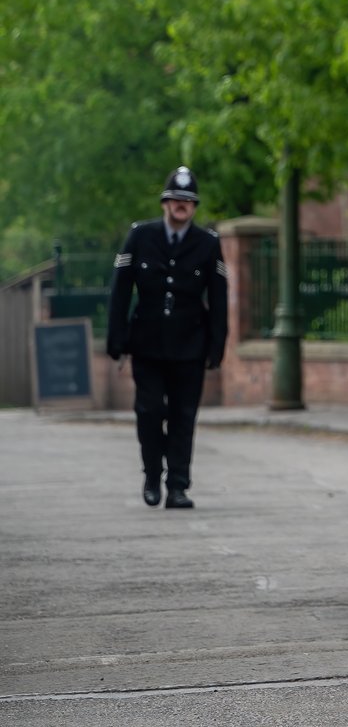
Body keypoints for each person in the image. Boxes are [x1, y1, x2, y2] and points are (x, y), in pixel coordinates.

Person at [106, 166, 228, 509]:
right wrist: (116, 341)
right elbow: (120, 291)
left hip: (190, 345)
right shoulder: (140, 238)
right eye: (175, 199)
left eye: (187, 202)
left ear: (194, 207)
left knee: (182, 416)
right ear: (164, 202)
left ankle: (177, 485)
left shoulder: (208, 244)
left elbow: (218, 299)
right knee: (148, 411)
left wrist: (216, 348)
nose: (181, 206)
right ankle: (150, 474)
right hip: (146, 343)